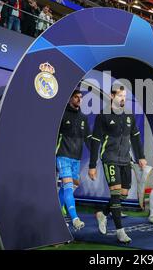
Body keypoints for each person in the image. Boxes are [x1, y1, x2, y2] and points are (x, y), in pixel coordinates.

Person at [88, 85, 147, 244]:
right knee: (115, 194)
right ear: (112, 96)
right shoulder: (103, 115)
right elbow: (95, 141)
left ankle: (103, 213)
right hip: (110, 158)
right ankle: (120, 232)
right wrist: (92, 165)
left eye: (125, 96)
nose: (123, 98)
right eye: (120, 95)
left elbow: (135, 137)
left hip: (125, 159)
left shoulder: (129, 115)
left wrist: (141, 156)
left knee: (124, 194)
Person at [56, 90, 91, 230]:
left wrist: (96, 154)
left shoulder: (83, 117)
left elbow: (88, 138)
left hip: (76, 158)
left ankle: (57, 211)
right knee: (68, 186)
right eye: (76, 97)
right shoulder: (62, 114)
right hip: (62, 154)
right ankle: (75, 218)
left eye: (80, 97)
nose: (79, 99)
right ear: (70, 98)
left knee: (70, 186)